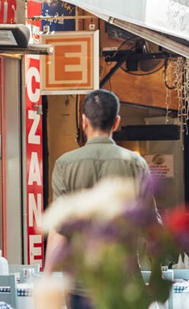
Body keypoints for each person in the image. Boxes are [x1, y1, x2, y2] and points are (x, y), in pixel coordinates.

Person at [46, 89, 154, 270]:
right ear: (116, 122)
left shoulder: (64, 164)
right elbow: (149, 222)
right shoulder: (136, 163)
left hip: (80, 276)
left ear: (84, 121)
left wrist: (47, 275)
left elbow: (60, 227)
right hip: (123, 276)